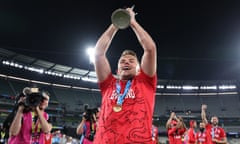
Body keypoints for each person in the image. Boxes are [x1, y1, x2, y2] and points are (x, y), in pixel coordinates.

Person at [93, 5, 157, 143]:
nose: (126, 63)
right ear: (117, 70)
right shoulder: (108, 83)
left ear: (139, 69)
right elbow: (98, 53)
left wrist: (132, 22)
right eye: (122, 61)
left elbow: (150, 49)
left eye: (131, 61)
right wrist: (116, 24)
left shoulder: (146, 82)